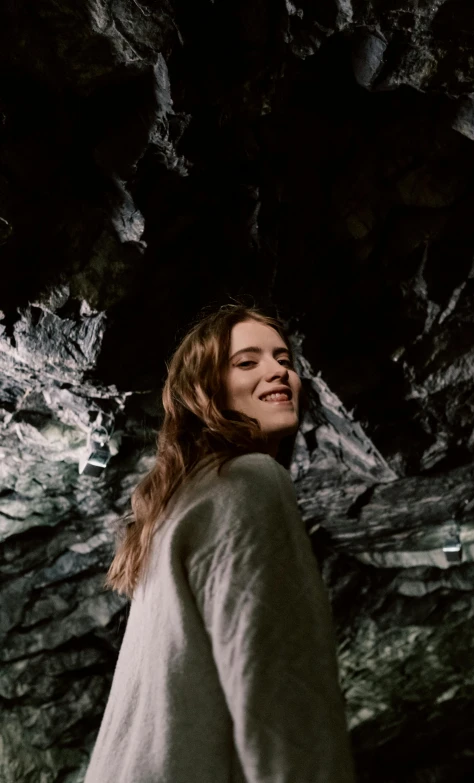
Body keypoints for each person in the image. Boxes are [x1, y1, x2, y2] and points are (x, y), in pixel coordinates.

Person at [84, 302, 356, 783]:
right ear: (204, 390)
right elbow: (278, 688)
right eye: (247, 362)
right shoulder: (248, 480)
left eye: (284, 360)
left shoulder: (171, 511)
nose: (278, 372)